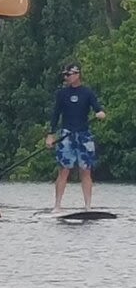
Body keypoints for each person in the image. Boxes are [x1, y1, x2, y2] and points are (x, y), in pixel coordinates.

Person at [46, 63, 105, 212]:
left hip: (84, 135)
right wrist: (50, 135)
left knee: (85, 170)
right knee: (64, 170)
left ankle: (87, 206)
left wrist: (100, 114)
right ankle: (57, 206)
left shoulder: (87, 92)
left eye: (69, 75)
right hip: (66, 134)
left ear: (77, 74)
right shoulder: (62, 94)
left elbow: (99, 110)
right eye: (65, 75)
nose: (66, 78)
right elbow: (55, 115)